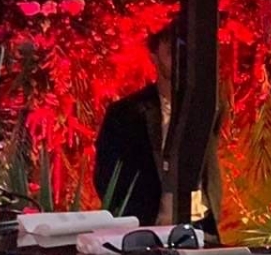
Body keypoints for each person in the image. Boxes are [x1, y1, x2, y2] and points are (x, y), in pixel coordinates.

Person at [93, 23, 222, 229]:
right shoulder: (127, 113)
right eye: (172, 52)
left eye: (187, 53)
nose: (181, 60)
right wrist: (131, 217)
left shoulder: (209, 106)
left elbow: (209, 158)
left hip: (202, 225)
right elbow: (107, 176)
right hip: (150, 227)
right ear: (154, 57)